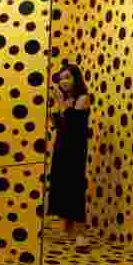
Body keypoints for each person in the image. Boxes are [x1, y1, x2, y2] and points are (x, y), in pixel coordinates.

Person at [48, 63, 92, 251]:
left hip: (75, 150)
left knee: (74, 187)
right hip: (61, 148)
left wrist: (60, 103)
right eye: (61, 78)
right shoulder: (66, 100)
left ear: (76, 78)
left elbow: (73, 127)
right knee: (61, 184)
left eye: (67, 77)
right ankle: (66, 229)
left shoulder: (83, 98)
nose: (63, 81)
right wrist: (57, 109)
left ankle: (82, 234)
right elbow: (60, 128)